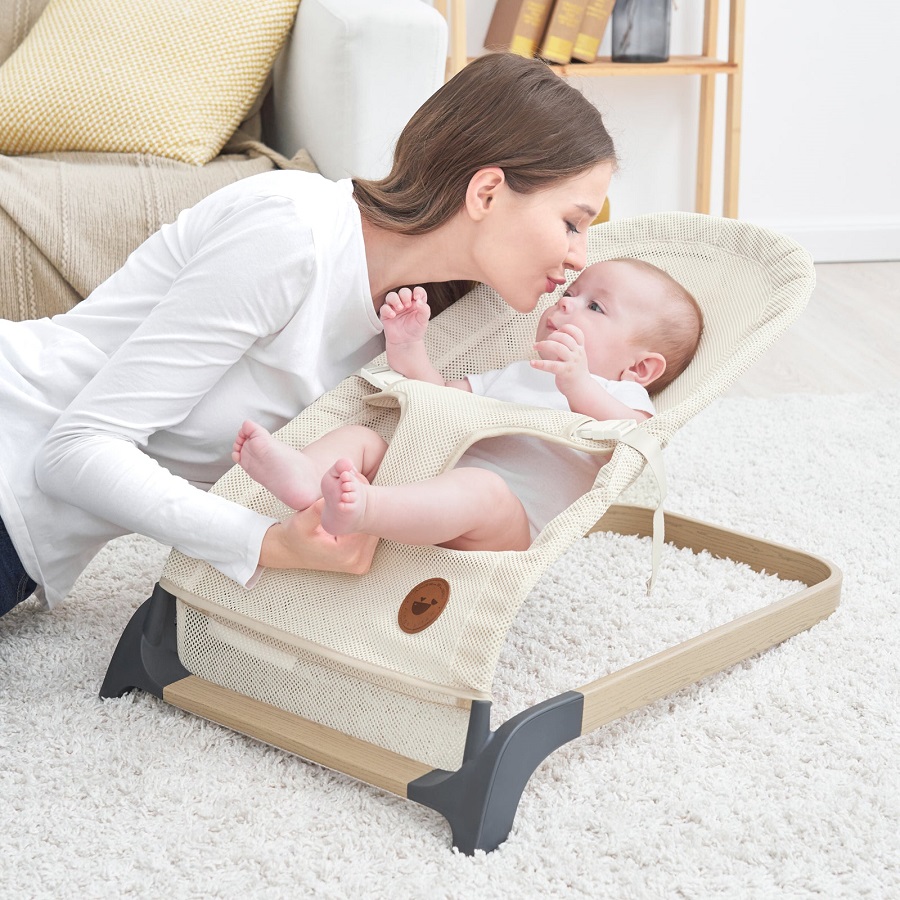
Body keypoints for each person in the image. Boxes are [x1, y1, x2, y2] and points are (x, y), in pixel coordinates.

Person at [0, 53, 617, 617]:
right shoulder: (293, 233)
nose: (578, 258)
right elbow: (74, 450)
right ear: (486, 191)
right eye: (571, 223)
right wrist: (264, 543)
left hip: (27, 547)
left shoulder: (426, 329)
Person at [232, 259, 703, 552]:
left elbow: (637, 440)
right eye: (568, 295)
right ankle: (301, 476)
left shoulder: (624, 398)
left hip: (509, 524)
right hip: (434, 474)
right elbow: (439, 397)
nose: (564, 307)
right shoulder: (519, 372)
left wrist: (578, 384)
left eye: (594, 308)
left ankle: (364, 511)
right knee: (364, 439)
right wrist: (409, 346)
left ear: (641, 369)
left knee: (483, 489)